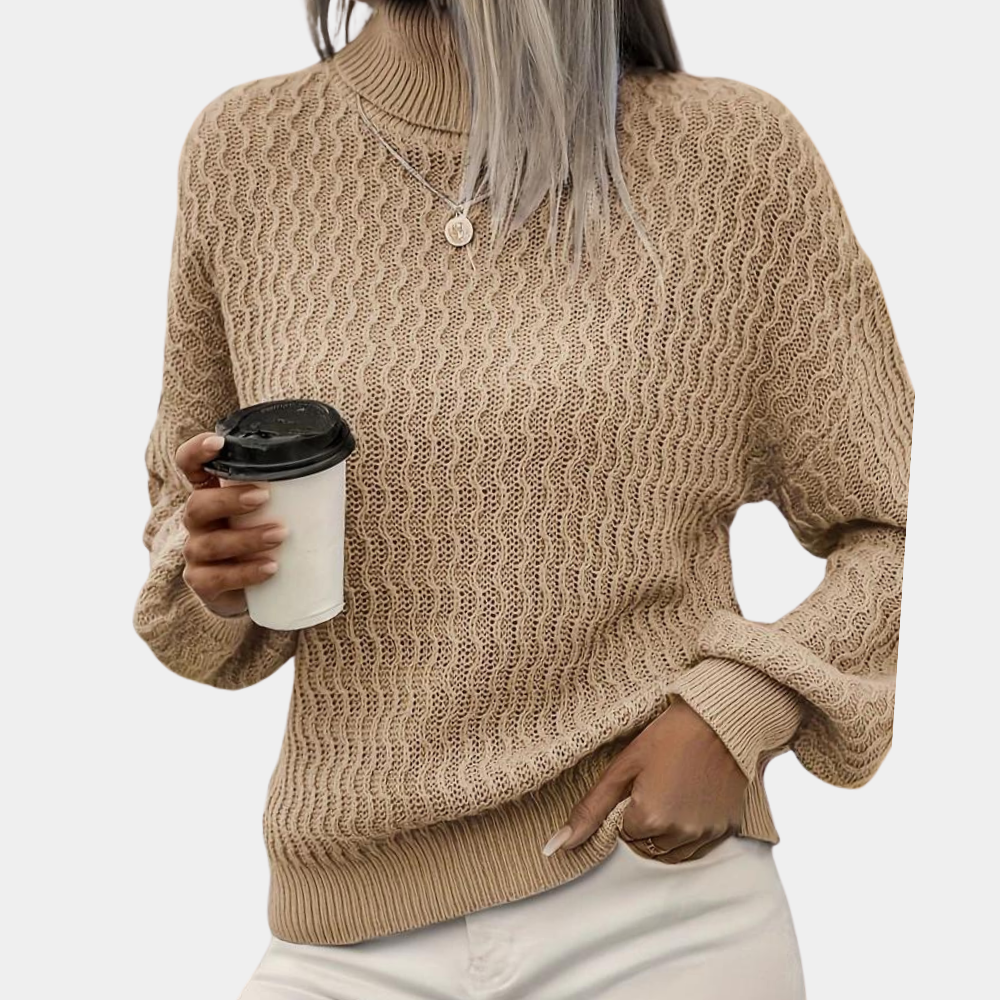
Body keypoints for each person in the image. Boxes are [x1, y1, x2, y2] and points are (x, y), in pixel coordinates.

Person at [132, 0, 914, 997]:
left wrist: (740, 706)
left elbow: (906, 523)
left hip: (658, 909)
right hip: (346, 923)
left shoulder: (729, 157)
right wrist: (212, 571)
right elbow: (181, 537)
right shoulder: (245, 152)